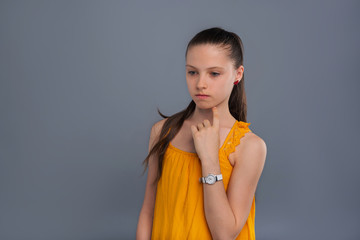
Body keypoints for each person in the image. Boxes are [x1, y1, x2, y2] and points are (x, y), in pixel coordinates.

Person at [136, 27, 267, 240]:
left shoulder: (249, 146)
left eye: (214, 73)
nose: (200, 84)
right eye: (192, 72)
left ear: (237, 74)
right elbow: (148, 211)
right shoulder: (162, 132)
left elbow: (224, 234)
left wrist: (209, 159)